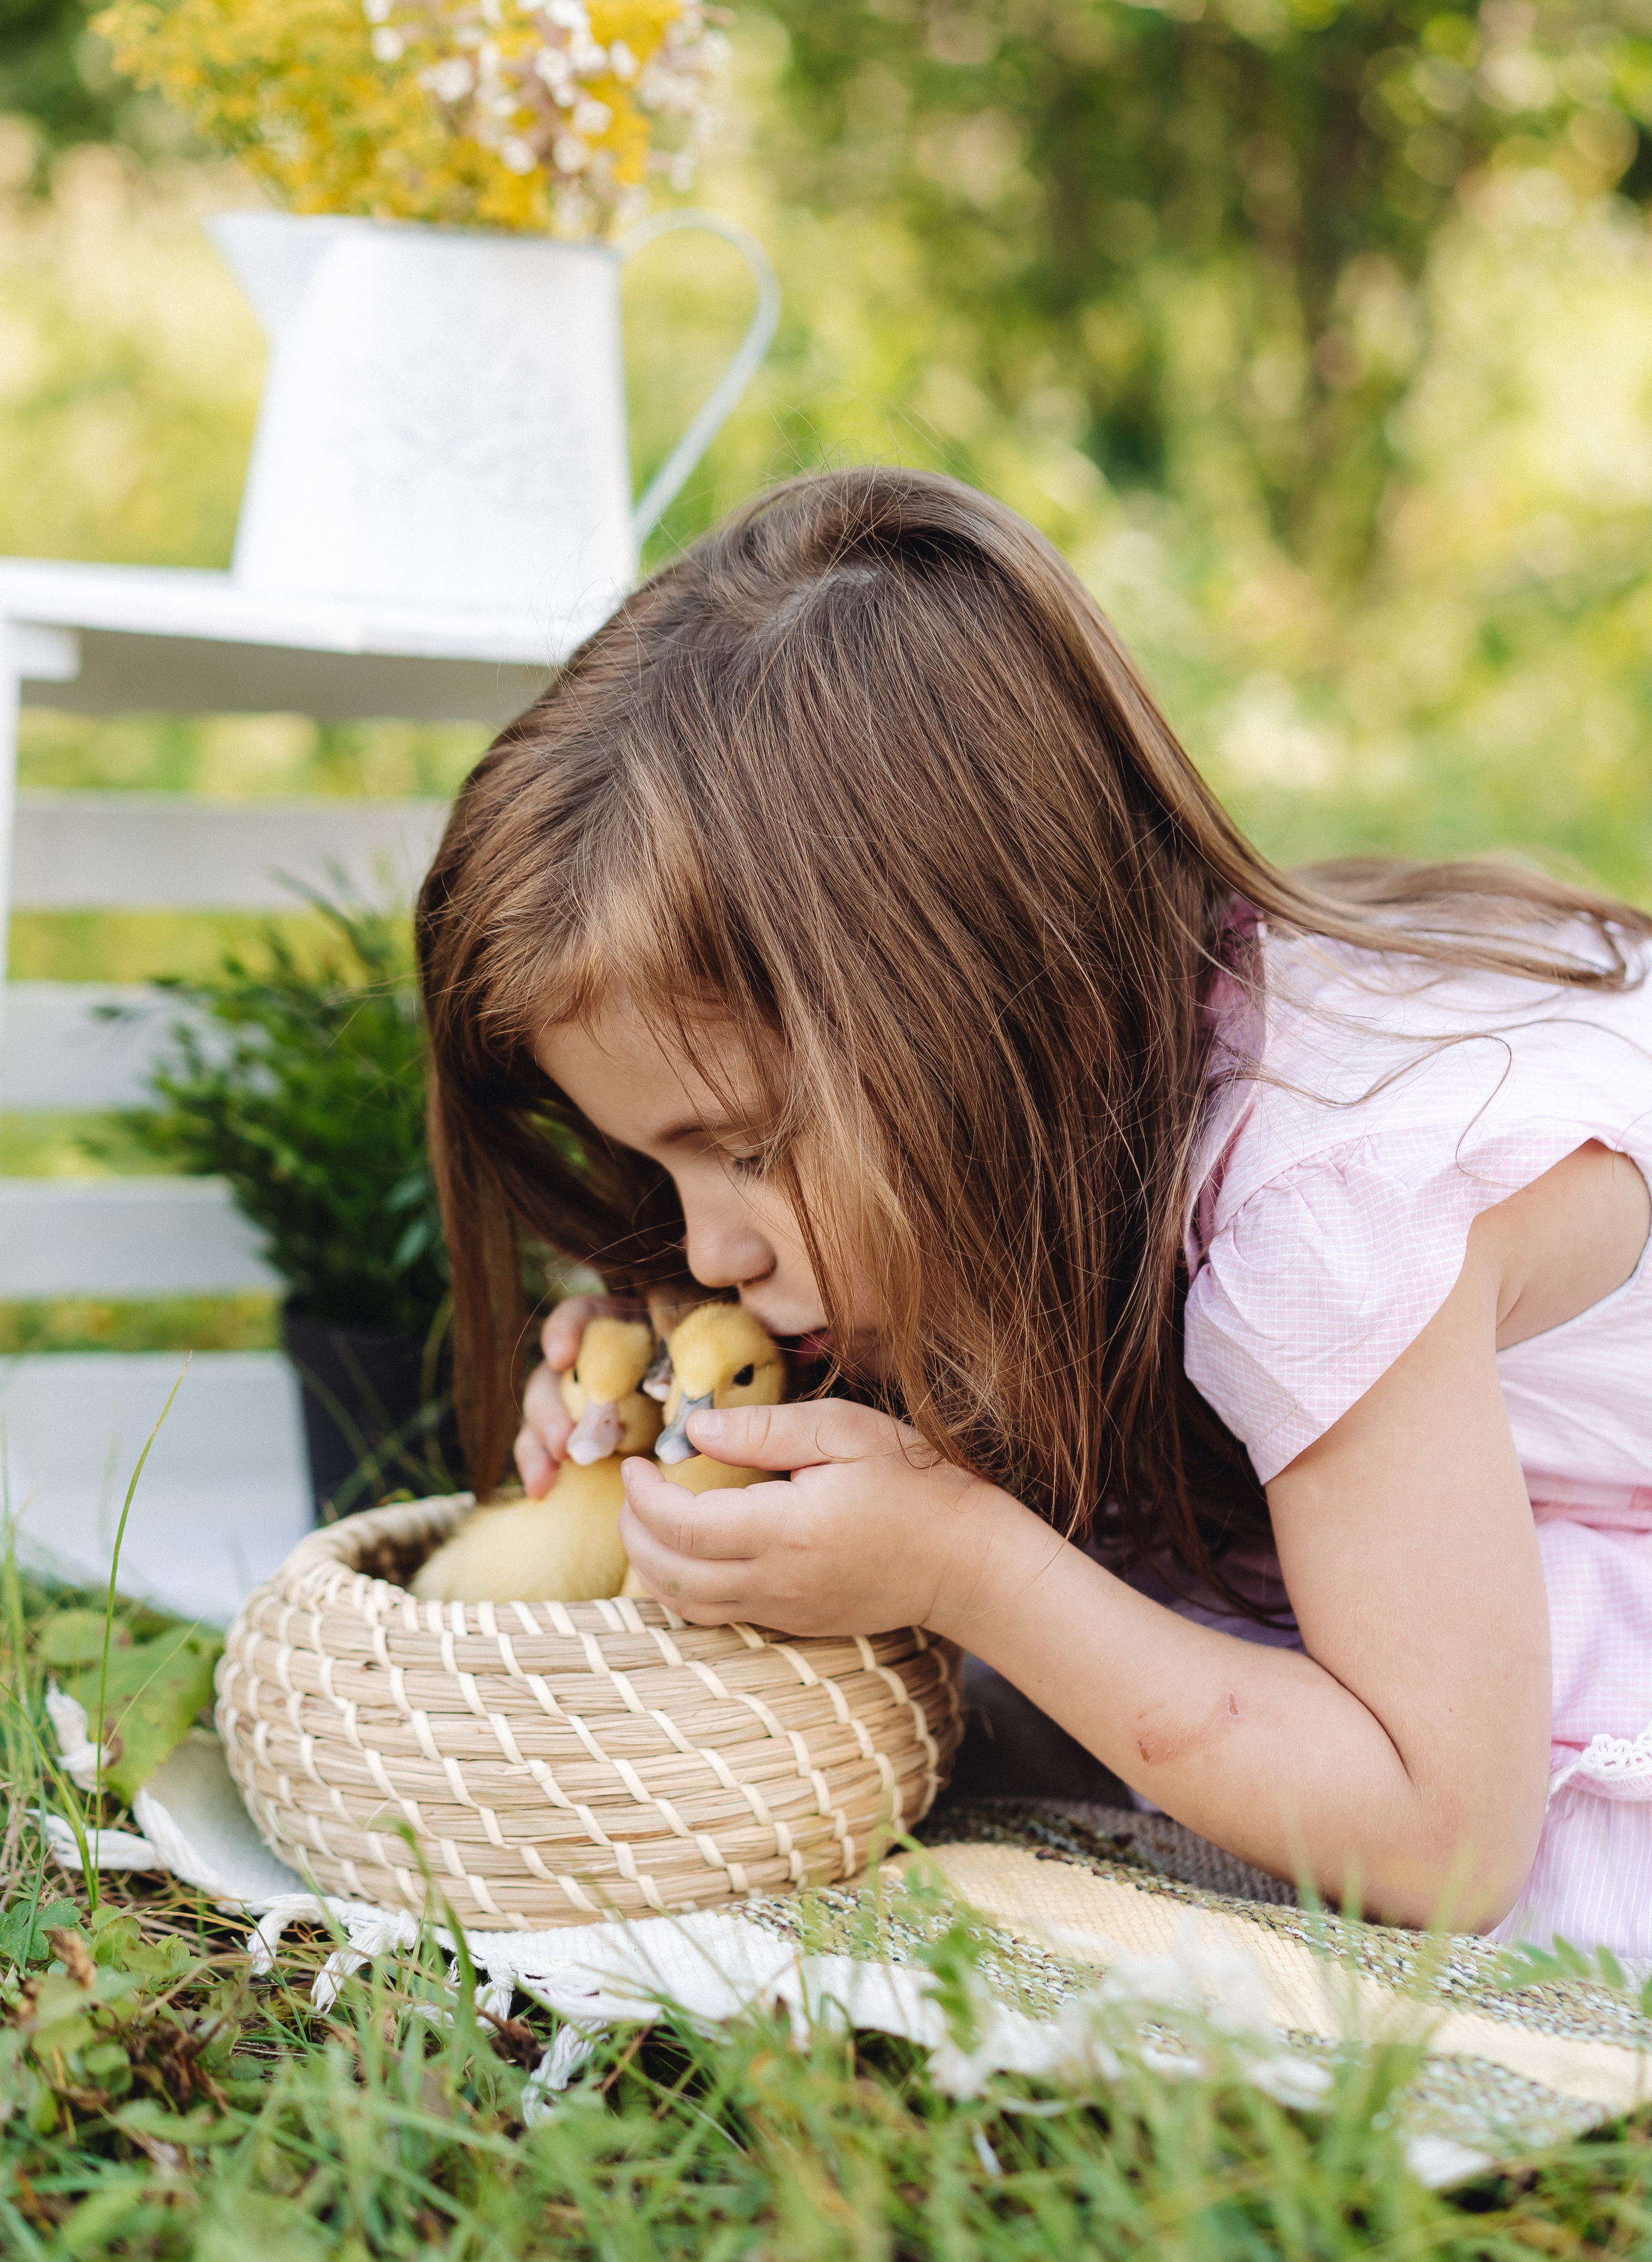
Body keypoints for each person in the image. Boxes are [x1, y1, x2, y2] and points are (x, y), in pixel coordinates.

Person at [416, 466, 1652, 1955]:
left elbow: (1442, 1842)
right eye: (661, 1168)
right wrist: (682, 1401)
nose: (705, 1250)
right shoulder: (1099, 1057)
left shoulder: (1324, 1215)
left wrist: (958, 1564)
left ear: (1005, 1017)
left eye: (743, 1147)